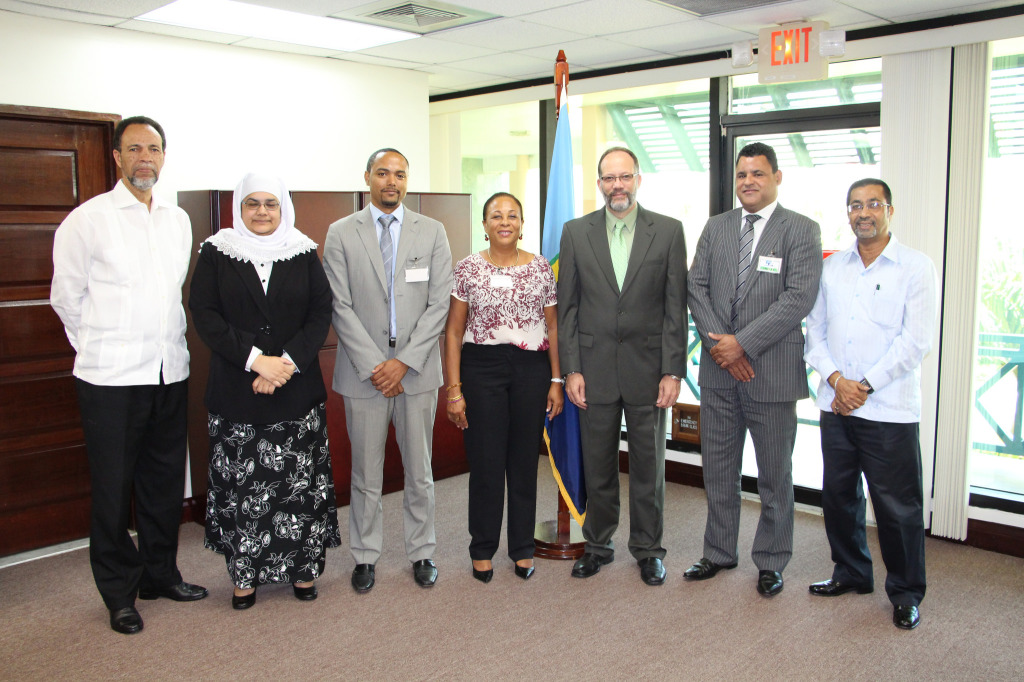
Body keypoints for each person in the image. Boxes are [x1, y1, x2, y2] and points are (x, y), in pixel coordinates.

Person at [50, 115, 208, 634]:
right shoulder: (87, 221)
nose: (146, 158)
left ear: (164, 157)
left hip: (169, 370)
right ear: (117, 157)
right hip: (110, 379)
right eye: (135, 148)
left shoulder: (177, 220)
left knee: (163, 483)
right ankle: (119, 593)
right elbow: (66, 299)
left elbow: (171, 294)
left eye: (154, 148)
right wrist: (101, 346)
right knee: (113, 490)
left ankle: (160, 575)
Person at [189, 172, 341, 610]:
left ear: (283, 207)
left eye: (270, 203)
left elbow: (321, 312)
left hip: (296, 390)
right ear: (239, 207)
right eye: (252, 203)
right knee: (246, 490)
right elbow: (205, 314)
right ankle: (245, 578)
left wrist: (285, 363)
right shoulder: (217, 251)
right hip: (238, 390)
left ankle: (303, 570)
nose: (261, 211)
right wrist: (256, 360)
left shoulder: (302, 250)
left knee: (298, 487)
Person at [685, 141, 822, 597]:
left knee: (774, 476)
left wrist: (741, 344)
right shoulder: (717, 227)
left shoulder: (801, 230)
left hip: (773, 373)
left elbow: (798, 298)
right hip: (719, 374)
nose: (748, 181)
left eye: (758, 173)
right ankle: (719, 551)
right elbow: (696, 286)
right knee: (718, 469)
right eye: (742, 174)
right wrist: (722, 347)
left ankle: (771, 560)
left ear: (776, 177)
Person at [804, 178, 938, 630]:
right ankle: (851, 572)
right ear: (848, 213)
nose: (863, 213)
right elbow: (814, 333)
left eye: (873, 204)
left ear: (889, 211)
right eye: (855, 205)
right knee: (839, 496)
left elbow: (915, 342)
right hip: (836, 406)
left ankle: (906, 592)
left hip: (889, 410)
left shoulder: (915, 267)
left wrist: (862, 386)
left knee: (897, 507)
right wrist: (837, 381)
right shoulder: (832, 268)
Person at [323, 148, 453, 592]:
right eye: (382, 173)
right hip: (364, 373)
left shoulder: (432, 231)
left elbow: (439, 304)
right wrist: (377, 365)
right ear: (367, 178)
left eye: (399, 174)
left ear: (407, 180)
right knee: (365, 473)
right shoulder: (341, 232)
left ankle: (422, 551)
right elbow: (338, 305)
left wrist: (404, 362)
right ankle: (365, 556)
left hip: (416, 370)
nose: (391, 182)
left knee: (420, 471)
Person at [557, 146, 687, 586]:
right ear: (599, 183)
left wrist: (673, 371)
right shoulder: (575, 232)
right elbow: (568, 308)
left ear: (638, 180)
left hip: (649, 370)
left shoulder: (668, 231)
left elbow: (676, 308)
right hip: (592, 370)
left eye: (625, 177)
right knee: (597, 463)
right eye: (609, 178)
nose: (618, 185)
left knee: (649, 465)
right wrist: (571, 369)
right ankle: (597, 544)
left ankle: (649, 549)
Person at [444, 192, 564, 583]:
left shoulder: (541, 267)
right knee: (486, 463)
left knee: (524, 462)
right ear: (484, 225)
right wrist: (454, 390)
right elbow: (454, 331)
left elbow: (552, 327)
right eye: (496, 215)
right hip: (482, 368)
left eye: (512, 215)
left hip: (531, 369)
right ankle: (482, 549)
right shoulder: (468, 268)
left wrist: (557, 379)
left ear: (522, 223)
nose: (505, 222)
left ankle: (523, 548)